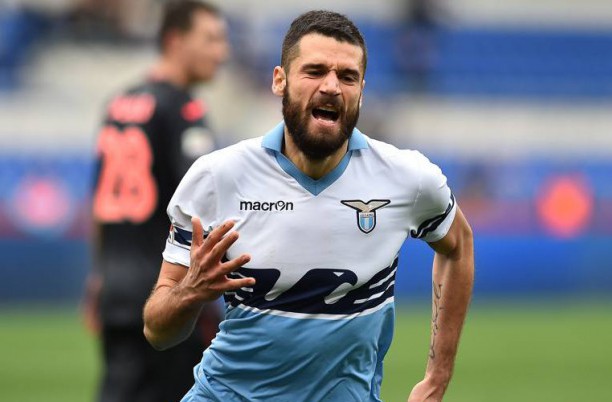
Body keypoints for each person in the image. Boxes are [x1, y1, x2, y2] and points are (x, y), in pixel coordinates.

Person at [143, 10, 474, 402]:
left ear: (362, 90)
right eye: (314, 71)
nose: (331, 86)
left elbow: (458, 247)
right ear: (279, 80)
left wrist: (437, 377)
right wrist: (190, 292)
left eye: (347, 76)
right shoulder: (217, 177)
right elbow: (157, 332)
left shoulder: (407, 178)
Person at [83, 2, 229, 402]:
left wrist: (99, 275)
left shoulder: (119, 103)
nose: (222, 52)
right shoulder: (183, 109)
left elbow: (99, 204)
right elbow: (205, 199)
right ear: (175, 41)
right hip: (165, 293)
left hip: (116, 288)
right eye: (211, 39)